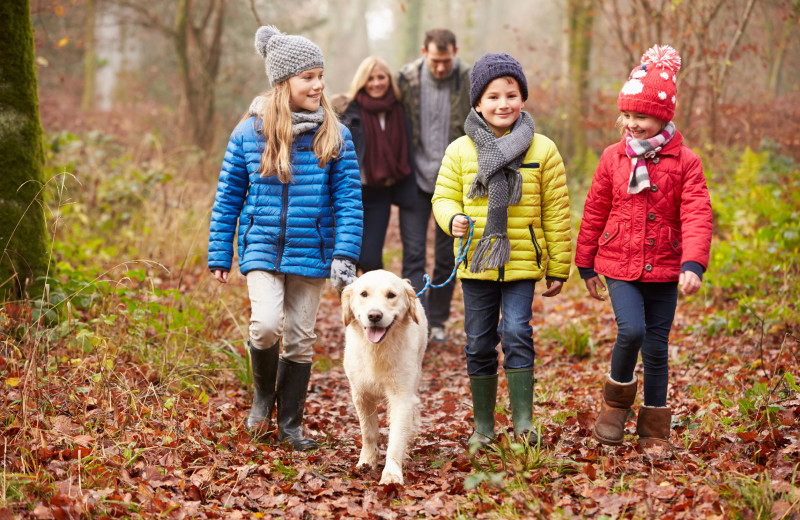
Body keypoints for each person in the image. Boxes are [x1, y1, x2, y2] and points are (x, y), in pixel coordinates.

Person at [207, 25, 362, 451]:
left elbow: (349, 201)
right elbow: (227, 199)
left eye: (320, 75)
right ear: (283, 83)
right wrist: (220, 251)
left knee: (299, 335)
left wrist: (345, 255)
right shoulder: (248, 134)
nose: (318, 84)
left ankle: (290, 423)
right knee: (266, 325)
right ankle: (262, 398)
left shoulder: (335, 135)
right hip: (261, 248)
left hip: (313, 251)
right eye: (308, 76)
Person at [575, 45, 712, 450]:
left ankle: (654, 426)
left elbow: (697, 212)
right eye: (628, 116)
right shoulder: (612, 158)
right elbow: (596, 207)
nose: (633, 124)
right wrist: (585, 263)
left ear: (663, 116)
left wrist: (693, 263)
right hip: (619, 263)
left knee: (656, 347)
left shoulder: (686, 162)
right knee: (631, 330)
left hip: (666, 266)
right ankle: (615, 405)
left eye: (642, 116)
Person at [432, 53, 572, 450]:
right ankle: (483, 427)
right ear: (478, 103)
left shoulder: (542, 150)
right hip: (477, 262)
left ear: (523, 99)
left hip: (522, 261)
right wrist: (452, 218)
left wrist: (559, 265)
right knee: (478, 342)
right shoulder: (460, 150)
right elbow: (442, 198)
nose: (503, 104)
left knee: (515, 333)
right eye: (493, 97)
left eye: (511, 94)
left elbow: (557, 211)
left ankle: (524, 422)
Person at [398, 28, 471, 343]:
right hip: (414, 178)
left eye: (446, 60)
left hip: (453, 181)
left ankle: (437, 321)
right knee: (413, 253)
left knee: (446, 256)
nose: (440, 67)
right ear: (424, 52)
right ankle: (416, 320)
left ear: (455, 51)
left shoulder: (468, 78)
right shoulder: (407, 79)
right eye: (435, 60)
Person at [340, 56, 416, 273]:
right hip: (350, 193)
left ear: (389, 79)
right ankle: (351, 305)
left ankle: (376, 301)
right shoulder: (349, 110)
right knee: (349, 258)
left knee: (371, 258)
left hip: (379, 194)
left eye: (381, 77)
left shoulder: (399, 110)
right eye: (370, 78)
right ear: (362, 81)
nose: (376, 83)